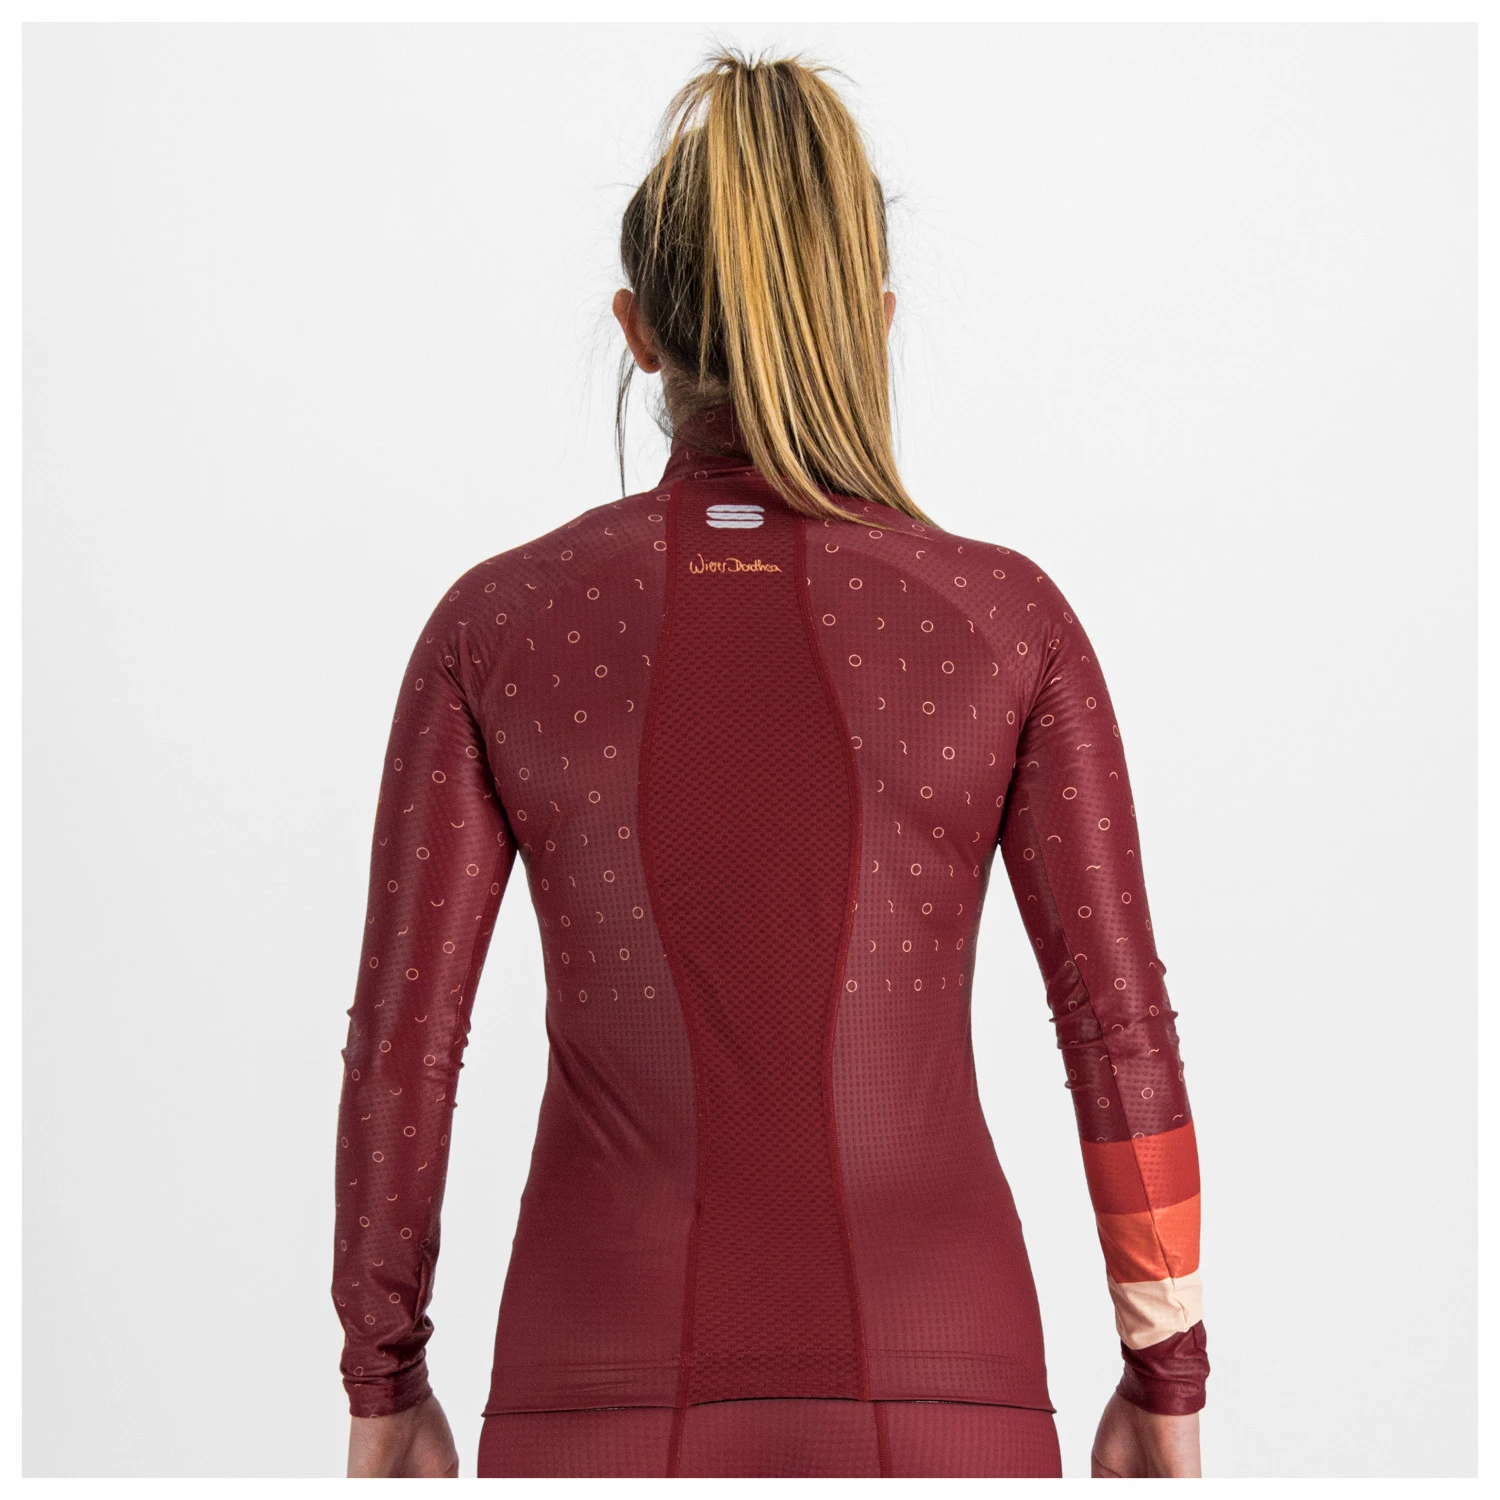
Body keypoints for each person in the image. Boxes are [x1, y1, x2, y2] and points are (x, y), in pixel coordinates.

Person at [333, 48, 1208, 1480]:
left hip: (589, 1383)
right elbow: (1118, 1032)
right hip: (947, 1386)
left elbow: (403, 1048)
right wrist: (1167, 1373)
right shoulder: (1003, 623)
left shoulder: (501, 626)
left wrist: (383, 1379)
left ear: (638, 328)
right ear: (873, 322)